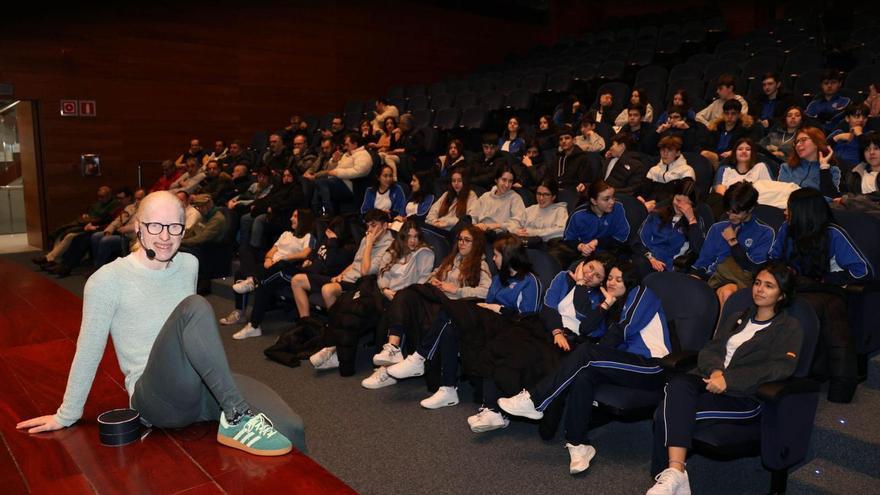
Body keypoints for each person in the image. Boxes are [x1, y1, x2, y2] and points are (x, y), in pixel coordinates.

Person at [16, 191, 304, 455]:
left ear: (184, 228)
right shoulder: (107, 280)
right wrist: (67, 414)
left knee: (290, 427)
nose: (165, 236)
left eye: (174, 227)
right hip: (154, 398)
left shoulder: (188, 264)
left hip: (198, 387)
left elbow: (191, 338)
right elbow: (88, 351)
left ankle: (235, 417)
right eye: (155, 226)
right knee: (195, 306)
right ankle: (237, 416)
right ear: (138, 227)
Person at [500, 262, 672, 475]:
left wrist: (596, 351)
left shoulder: (642, 293)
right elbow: (593, 330)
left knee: (587, 353)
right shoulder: (617, 305)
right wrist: (607, 305)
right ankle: (578, 443)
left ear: (630, 282)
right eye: (609, 278)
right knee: (584, 374)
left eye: (619, 279)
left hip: (652, 367)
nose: (611, 282)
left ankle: (535, 401)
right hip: (626, 364)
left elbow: (622, 331)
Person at [648, 262, 802, 495]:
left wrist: (729, 380)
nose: (759, 289)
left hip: (743, 396)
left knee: (666, 414)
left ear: (781, 295)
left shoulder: (789, 327)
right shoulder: (738, 316)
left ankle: (667, 479)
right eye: (758, 283)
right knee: (677, 383)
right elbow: (711, 349)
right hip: (711, 380)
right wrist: (716, 372)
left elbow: (779, 368)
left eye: (769, 286)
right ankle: (675, 475)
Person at [468, 255, 610, 433]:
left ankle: (507, 410)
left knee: (533, 358)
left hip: (571, 339)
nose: (590, 275)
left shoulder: (600, 300)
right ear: (582, 264)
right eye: (590, 268)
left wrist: (581, 285)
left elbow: (587, 326)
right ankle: (491, 408)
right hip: (547, 327)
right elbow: (548, 307)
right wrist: (556, 331)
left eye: (597, 276)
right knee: (503, 344)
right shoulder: (563, 277)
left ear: (602, 282)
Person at [371, 225, 492, 407]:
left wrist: (457, 290)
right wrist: (433, 281)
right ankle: (393, 349)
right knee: (406, 294)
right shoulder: (451, 259)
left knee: (423, 303)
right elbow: (433, 274)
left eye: (467, 240)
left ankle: (417, 358)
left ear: (477, 244)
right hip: (437, 300)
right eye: (460, 239)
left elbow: (486, 291)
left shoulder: (480, 265)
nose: (462, 243)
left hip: (455, 305)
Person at [769, 188, 870, 402]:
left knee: (821, 309)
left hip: (825, 289)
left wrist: (827, 279)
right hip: (794, 287)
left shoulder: (833, 234)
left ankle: (831, 381)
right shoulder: (787, 231)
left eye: (790, 209)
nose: (785, 213)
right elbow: (773, 259)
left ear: (804, 213)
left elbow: (861, 270)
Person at [313, 219, 435, 376]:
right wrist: (384, 288)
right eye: (408, 236)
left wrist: (399, 293)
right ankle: (335, 350)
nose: (412, 241)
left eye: (416, 236)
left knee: (368, 315)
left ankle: (344, 355)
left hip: (404, 296)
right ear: (402, 237)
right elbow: (382, 274)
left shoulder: (425, 254)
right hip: (383, 292)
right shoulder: (394, 251)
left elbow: (422, 281)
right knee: (349, 310)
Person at [290, 209, 394, 321]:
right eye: (368, 226)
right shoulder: (365, 239)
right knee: (297, 280)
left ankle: (336, 328)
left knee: (327, 290)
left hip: (359, 284)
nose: (369, 230)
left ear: (385, 226)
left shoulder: (389, 246)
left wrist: (369, 244)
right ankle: (305, 322)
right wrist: (340, 275)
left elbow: (365, 272)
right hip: (346, 278)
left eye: (373, 226)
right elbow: (355, 263)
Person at [229, 209, 316, 340]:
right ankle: (241, 311)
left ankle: (253, 325)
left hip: (288, 269)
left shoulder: (308, 237)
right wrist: (269, 260)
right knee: (241, 267)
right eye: (292, 215)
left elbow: (305, 254)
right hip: (272, 266)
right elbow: (271, 252)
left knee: (264, 282)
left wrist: (285, 258)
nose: (291, 218)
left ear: (304, 220)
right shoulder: (286, 234)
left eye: (295, 216)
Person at [692, 181, 775, 306]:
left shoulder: (765, 232)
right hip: (712, 276)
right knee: (686, 286)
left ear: (750, 209)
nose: (730, 216)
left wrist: (733, 243)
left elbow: (753, 268)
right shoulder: (717, 228)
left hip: (739, 280)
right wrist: (695, 277)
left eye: (735, 212)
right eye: (728, 211)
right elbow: (704, 260)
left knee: (726, 293)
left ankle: (720, 326)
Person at [635, 178, 706, 276]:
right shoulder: (657, 213)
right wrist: (650, 258)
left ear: (693, 206)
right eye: (678, 200)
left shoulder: (696, 223)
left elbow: (699, 250)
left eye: (686, 204)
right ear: (673, 197)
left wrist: (691, 220)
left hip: (670, 268)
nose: (680, 205)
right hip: (647, 259)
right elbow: (640, 238)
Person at [559, 180, 629, 267]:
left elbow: (622, 237)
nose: (612, 202)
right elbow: (568, 239)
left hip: (611, 254)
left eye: (613, 197)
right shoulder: (578, 215)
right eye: (606, 199)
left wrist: (598, 242)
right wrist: (581, 247)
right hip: (585, 257)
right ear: (594, 201)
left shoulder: (618, 208)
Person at [312, 132, 373, 216]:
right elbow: (336, 169)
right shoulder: (346, 155)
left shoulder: (363, 155)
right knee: (318, 183)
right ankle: (319, 212)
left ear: (355, 144)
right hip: (339, 182)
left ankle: (327, 211)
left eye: (347, 144)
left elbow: (360, 171)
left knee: (321, 182)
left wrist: (336, 173)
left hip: (352, 186)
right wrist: (334, 162)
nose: (345, 147)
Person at [778, 126, 842, 197]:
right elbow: (781, 194)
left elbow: (829, 197)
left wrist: (824, 167)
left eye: (803, 139)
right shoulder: (786, 167)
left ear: (816, 142)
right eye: (796, 142)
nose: (798, 144)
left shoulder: (832, 171)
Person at [91, 188, 147, 269]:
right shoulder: (130, 207)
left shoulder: (147, 210)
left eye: (140, 198)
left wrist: (126, 229)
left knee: (105, 241)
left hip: (131, 236)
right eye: (136, 198)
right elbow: (117, 220)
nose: (137, 201)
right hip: (120, 232)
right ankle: (96, 263)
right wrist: (109, 230)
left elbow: (142, 224)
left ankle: (99, 268)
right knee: (96, 236)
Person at [701, 99, 759, 169]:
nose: (729, 116)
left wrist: (733, 152)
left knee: (706, 154)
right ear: (723, 114)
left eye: (733, 113)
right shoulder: (715, 128)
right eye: (727, 113)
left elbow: (749, 146)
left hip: (732, 159)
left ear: (739, 115)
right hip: (715, 156)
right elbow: (704, 144)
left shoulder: (745, 129)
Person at [508, 178, 568, 244]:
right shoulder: (530, 210)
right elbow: (513, 223)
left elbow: (561, 231)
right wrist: (516, 230)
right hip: (526, 244)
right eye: (539, 194)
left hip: (546, 248)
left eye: (546, 194)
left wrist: (533, 233)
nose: (541, 198)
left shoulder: (560, 211)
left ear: (553, 197)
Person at [471, 166, 526, 236]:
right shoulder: (485, 197)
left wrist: (496, 225)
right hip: (480, 233)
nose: (507, 185)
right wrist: (476, 226)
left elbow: (519, 222)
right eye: (504, 180)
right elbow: (473, 216)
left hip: (500, 235)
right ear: (496, 180)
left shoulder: (515, 198)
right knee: (464, 221)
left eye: (510, 181)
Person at [425, 167, 478, 235]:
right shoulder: (446, 194)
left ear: (465, 181)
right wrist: (435, 222)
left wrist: (447, 222)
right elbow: (431, 214)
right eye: (453, 181)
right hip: (437, 229)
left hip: (455, 233)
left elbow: (471, 220)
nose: (456, 183)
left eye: (459, 181)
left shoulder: (471, 195)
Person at [828, 103, 869, 168]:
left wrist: (859, 135)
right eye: (857, 116)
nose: (861, 120)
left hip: (855, 172)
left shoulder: (869, 136)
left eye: (864, 117)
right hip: (833, 168)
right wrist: (836, 138)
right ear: (847, 118)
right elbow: (822, 148)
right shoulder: (838, 133)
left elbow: (870, 151)